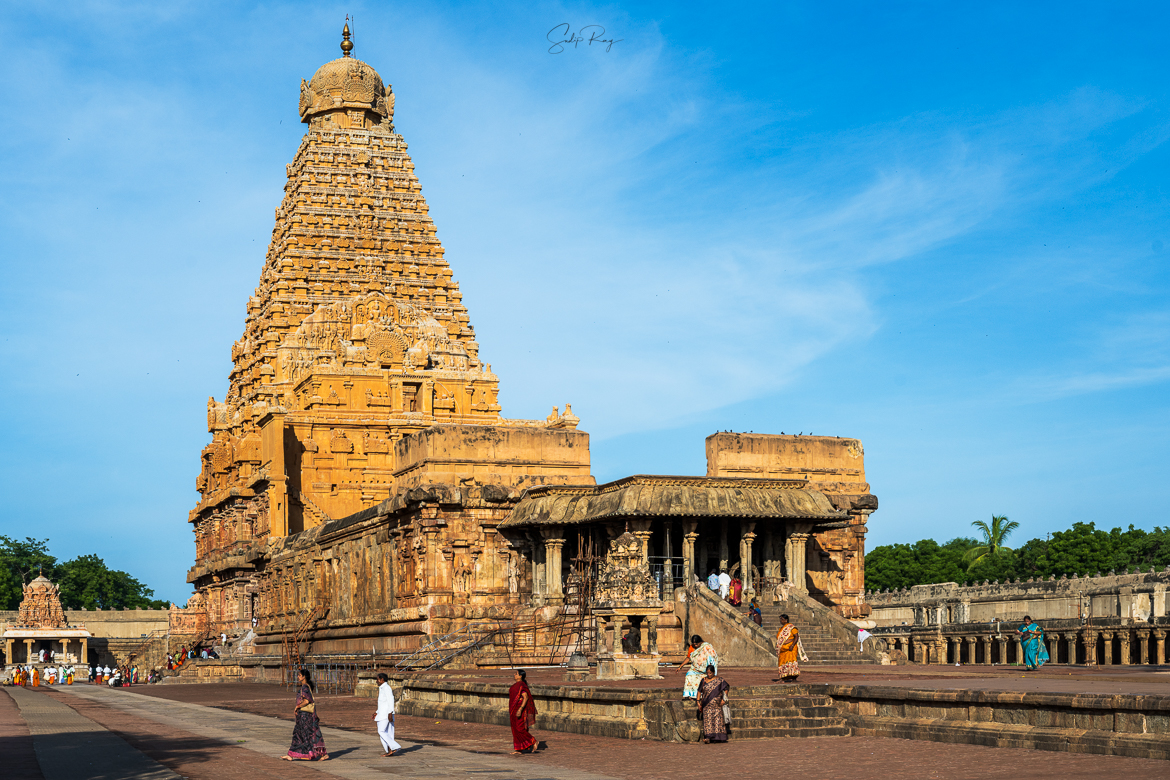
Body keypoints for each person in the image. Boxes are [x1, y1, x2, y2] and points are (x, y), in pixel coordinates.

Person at [283, 668, 329, 761]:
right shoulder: (307, 686)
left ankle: (320, 753)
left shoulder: (305, 687)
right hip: (304, 715)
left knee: (302, 734)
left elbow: (307, 700)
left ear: (304, 677)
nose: (298, 677)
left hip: (305, 715)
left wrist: (297, 706)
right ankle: (291, 754)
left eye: (300, 675)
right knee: (303, 734)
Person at [696, 664, 730, 743]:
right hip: (706, 705)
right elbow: (699, 691)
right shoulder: (704, 680)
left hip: (717, 705)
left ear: (714, 672)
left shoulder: (719, 680)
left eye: (710, 673)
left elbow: (726, 688)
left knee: (717, 721)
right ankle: (708, 737)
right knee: (708, 722)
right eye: (707, 673)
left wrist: (724, 700)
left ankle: (719, 737)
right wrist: (698, 702)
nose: (709, 675)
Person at [680, 635, 719, 700]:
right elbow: (688, 657)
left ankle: (700, 696)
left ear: (700, 642)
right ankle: (690, 695)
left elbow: (712, 656)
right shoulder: (692, 647)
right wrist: (680, 666)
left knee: (702, 679)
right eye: (694, 644)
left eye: (697, 644)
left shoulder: (707, 647)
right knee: (689, 676)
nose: (695, 646)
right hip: (695, 669)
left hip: (705, 670)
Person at [508, 669, 537, 754]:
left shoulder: (521, 685)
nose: (514, 675)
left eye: (516, 673)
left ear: (520, 676)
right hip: (513, 710)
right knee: (515, 729)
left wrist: (520, 709)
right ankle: (518, 749)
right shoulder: (515, 686)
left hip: (519, 710)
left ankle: (533, 741)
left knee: (520, 729)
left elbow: (526, 697)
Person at [373, 672, 401, 756]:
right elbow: (382, 703)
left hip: (386, 714)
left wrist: (390, 713)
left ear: (382, 680)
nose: (376, 681)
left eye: (378, 679)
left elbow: (390, 700)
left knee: (381, 731)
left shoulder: (386, 688)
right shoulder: (382, 688)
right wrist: (376, 712)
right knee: (388, 733)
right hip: (382, 713)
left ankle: (394, 746)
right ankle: (390, 751)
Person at [776, 613, 800, 682]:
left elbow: (796, 636)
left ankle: (793, 677)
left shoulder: (791, 627)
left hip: (790, 649)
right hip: (783, 650)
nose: (781, 621)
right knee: (782, 663)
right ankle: (783, 677)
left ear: (786, 620)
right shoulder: (781, 629)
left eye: (782, 619)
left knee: (791, 662)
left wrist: (792, 645)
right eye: (780, 619)